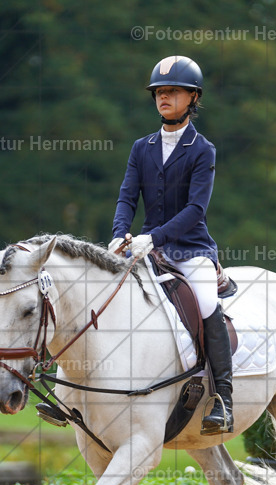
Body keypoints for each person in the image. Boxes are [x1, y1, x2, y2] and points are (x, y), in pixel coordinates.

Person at [108, 55, 233, 435]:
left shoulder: (202, 150)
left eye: (173, 92)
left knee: (206, 303)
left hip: (190, 249)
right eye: (160, 92)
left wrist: (153, 237)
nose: (164, 98)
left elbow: (196, 209)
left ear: (192, 98)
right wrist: (118, 232)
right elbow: (128, 196)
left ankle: (223, 399)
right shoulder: (141, 147)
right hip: (145, 248)